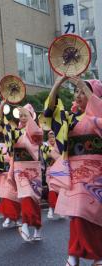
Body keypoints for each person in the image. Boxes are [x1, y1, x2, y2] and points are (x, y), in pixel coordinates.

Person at [44, 76, 102, 266]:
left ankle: (96, 255)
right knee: (77, 213)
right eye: (76, 91)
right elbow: (50, 111)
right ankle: (73, 256)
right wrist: (57, 84)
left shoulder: (98, 117)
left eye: (83, 92)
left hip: (97, 175)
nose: (78, 95)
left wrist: (84, 87)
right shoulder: (70, 118)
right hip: (75, 174)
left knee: (93, 217)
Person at [0, 101, 43, 242]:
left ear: (31, 116)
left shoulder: (37, 131)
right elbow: (3, 126)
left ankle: (37, 228)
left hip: (33, 168)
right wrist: (1, 108)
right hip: (19, 168)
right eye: (21, 115)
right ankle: (24, 224)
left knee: (34, 199)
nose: (23, 118)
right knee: (26, 195)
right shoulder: (16, 132)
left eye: (26, 115)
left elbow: (36, 142)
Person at [0, 133, 21, 228]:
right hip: (4, 177)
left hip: (15, 175)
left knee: (16, 198)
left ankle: (15, 218)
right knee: (7, 197)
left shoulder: (16, 147)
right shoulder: (0, 147)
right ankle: (8, 217)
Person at [40, 130, 61, 219]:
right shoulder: (45, 146)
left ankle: (59, 209)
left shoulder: (60, 145)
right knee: (52, 189)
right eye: (50, 137)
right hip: (50, 170)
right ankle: (51, 209)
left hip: (60, 171)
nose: (52, 139)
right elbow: (45, 158)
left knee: (60, 191)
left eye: (53, 137)